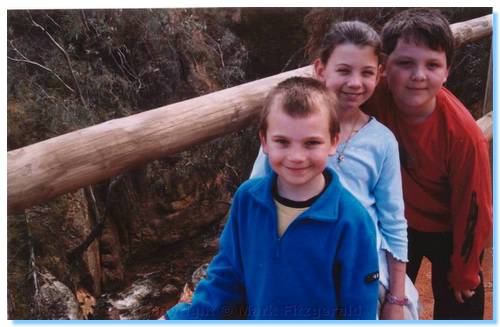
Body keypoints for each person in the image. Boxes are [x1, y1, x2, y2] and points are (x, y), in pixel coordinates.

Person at [164, 77, 379, 320]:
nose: (296, 157)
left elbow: (359, 311)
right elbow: (227, 276)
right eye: (283, 142)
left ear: (333, 142)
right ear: (265, 141)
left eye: (311, 143)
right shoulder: (248, 199)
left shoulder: (352, 222)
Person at [251, 21, 419, 319]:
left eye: (366, 72)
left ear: (379, 75)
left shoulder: (381, 141)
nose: (355, 83)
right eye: (344, 70)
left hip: (364, 264)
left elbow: (393, 221)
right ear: (320, 69)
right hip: (297, 257)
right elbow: (255, 201)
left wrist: (396, 296)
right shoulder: (290, 128)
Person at [363, 8, 492, 319]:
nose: (418, 75)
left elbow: (474, 209)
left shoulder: (462, 135)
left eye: (432, 65)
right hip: (398, 220)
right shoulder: (372, 97)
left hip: (450, 228)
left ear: (447, 71)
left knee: (461, 302)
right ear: (383, 68)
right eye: (405, 63)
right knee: (382, 296)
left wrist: (466, 272)